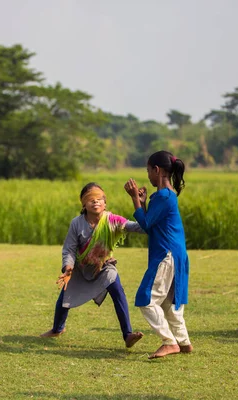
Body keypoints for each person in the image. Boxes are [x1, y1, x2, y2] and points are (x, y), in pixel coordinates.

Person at [40, 182, 145, 349]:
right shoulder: (76, 223)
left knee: (118, 292)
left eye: (99, 199)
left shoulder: (113, 220)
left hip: (104, 267)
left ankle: (127, 335)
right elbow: (69, 249)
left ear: (105, 203)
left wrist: (140, 204)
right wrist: (68, 268)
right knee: (65, 298)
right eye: (91, 199)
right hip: (80, 268)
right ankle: (57, 329)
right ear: (83, 203)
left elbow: (141, 227)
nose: (95, 202)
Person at [124, 150, 192, 359]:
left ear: (157, 170)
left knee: (146, 299)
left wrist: (135, 198)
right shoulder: (166, 195)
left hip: (166, 254)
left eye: (148, 171)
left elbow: (144, 224)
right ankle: (183, 342)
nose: (147, 176)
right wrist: (142, 203)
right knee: (167, 303)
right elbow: (150, 225)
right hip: (175, 254)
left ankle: (169, 342)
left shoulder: (163, 196)